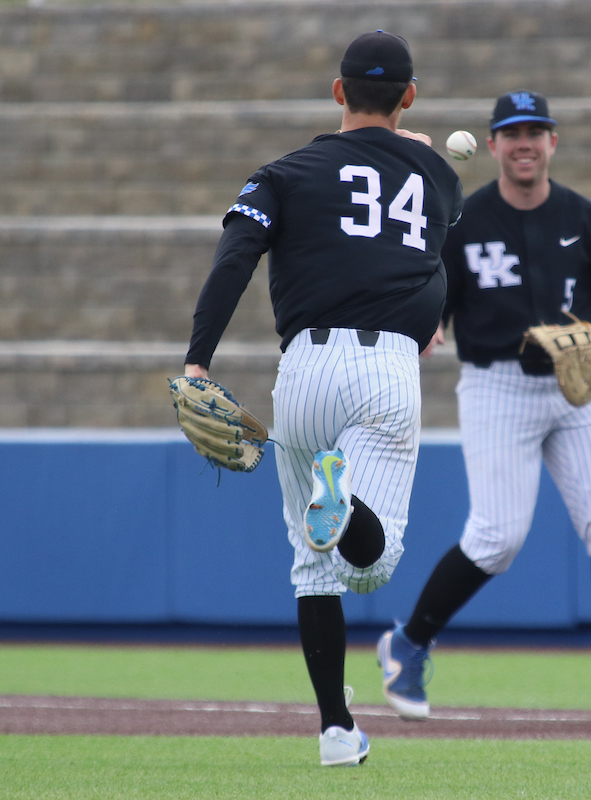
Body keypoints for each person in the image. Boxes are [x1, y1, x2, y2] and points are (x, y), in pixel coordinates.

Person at [183, 31, 463, 766]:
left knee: (311, 568)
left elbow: (234, 258)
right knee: (371, 565)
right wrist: (419, 150)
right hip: (386, 369)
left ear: (338, 91)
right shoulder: (438, 175)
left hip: (302, 371)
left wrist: (198, 360)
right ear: (409, 97)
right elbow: (432, 250)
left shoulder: (283, 172)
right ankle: (341, 503)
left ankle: (337, 730)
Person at [376, 90, 591, 724]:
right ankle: (407, 643)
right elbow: (433, 300)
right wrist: (425, 327)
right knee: (497, 538)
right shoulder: (463, 219)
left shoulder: (586, 217)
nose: (524, 143)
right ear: (493, 144)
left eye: (535, 132)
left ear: (553, 141)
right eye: (512, 133)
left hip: (574, 389)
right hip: (496, 386)